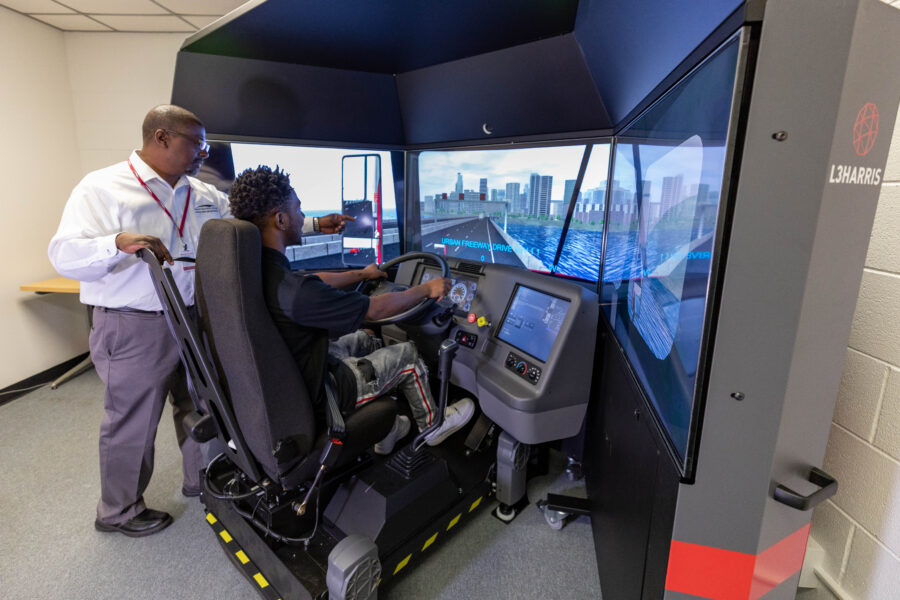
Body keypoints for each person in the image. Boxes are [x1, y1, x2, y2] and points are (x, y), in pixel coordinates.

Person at [48, 105, 353, 538]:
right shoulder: (102, 188)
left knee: (203, 404)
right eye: (197, 143)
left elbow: (258, 222)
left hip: (197, 317)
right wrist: (117, 242)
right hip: (136, 323)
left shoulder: (203, 192)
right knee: (133, 419)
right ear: (161, 137)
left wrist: (318, 223)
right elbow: (63, 254)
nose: (204, 152)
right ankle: (118, 511)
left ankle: (201, 480)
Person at [228, 165, 475, 454]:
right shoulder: (295, 294)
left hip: (294, 378)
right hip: (323, 395)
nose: (303, 217)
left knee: (366, 338)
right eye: (298, 209)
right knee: (408, 355)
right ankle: (433, 427)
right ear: (281, 219)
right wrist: (426, 289)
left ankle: (386, 428)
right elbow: (376, 310)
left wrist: (361, 275)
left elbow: (312, 280)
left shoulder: (256, 269)